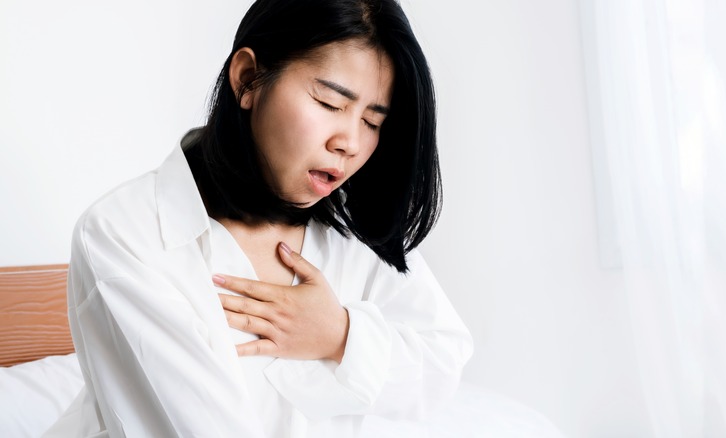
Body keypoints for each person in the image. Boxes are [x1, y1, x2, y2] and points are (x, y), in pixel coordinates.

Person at [44, 0, 472, 436]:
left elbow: (441, 364)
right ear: (248, 79)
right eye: (329, 103)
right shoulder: (124, 232)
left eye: (372, 121)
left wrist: (340, 335)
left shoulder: (354, 229)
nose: (351, 142)